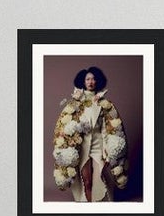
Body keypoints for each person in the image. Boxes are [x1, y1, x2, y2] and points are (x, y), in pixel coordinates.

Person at [50, 65, 129, 202]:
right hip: (83, 146)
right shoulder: (76, 103)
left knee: (102, 175)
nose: (91, 82)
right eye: (88, 79)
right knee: (86, 179)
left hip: (99, 144)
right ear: (83, 81)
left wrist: (106, 148)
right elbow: (66, 124)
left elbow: (106, 127)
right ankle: (87, 207)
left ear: (97, 81)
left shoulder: (104, 103)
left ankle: (102, 202)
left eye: (93, 79)